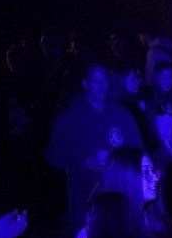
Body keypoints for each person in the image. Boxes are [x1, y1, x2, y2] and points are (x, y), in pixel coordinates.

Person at [46, 61, 143, 229]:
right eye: (95, 81)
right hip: (83, 195)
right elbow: (54, 156)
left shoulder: (121, 114)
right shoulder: (69, 117)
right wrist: (82, 161)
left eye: (104, 80)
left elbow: (137, 149)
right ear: (85, 83)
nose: (101, 86)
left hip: (117, 194)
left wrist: (116, 162)